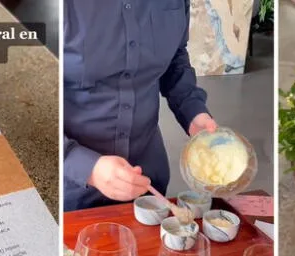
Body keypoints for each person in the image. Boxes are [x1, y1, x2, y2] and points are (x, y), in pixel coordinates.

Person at [63, 0, 218, 211]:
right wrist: (87, 167)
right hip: (70, 192)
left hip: (148, 177)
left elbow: (175, 57)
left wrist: (194, 112)